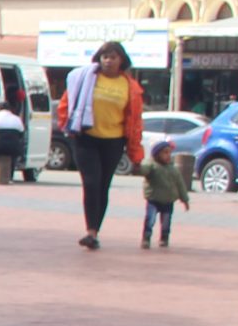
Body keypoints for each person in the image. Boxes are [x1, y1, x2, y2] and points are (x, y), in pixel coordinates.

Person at [57, 40, 144, 248]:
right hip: (86, 138)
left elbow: (135, 121)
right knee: (91, 183)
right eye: (105, 57)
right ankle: (90, 230)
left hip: (114, 141)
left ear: (121, 60)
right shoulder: (85, 78)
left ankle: (95, 232)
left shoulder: (130, 87)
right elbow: (66, 104)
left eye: (113, 57)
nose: (108, 61)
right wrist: (67, 126)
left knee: (103, 186)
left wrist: (136, 152)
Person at [140, 138, 191, 248]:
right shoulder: (152, 165)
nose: (168, 155)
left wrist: (185, 199)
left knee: (166, 223)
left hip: (168, 200)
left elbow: (180, 185)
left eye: (169, 153)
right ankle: (146, 238)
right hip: (153, 199)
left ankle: (164, 238)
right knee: (150, 220)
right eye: (165, 153)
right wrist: (137, 165)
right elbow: (144, 170)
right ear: (157, 154)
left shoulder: (173, 169)